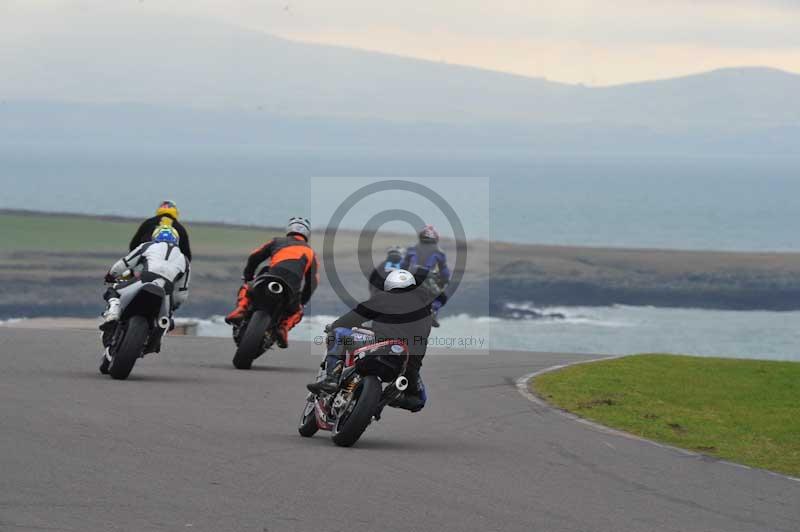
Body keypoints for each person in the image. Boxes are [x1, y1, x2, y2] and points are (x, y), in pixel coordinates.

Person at [307, 269, 432, 412]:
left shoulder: (385, 297)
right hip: (407, 362)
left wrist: (335, 325)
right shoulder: (427, 312)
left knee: (338, 334)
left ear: (390, 285)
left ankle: (332, 379)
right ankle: (386, 400)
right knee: (419, 400)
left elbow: (354, 317)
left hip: (381, 346)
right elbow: (421, 343)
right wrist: (412, 370)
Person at [224, 217, 318, 349]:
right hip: (290, 290)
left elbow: (255, 256)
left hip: (270, 278)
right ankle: (283, 328)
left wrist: (248, 276)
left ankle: (241, 309)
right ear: (307, 233)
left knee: (247, 287)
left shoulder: (277, 241)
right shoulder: (311, 253)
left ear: (289, 229)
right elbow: (313, 282)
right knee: (298, 311)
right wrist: (302, 302)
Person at [100, 225, 191, 359]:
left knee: (114, 289)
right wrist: (174, 305)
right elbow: (181, 292)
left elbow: (124, 263)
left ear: (155, 237)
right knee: (166, 320)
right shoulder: (185, 261)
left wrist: (111, 275)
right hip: (166, 290)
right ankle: (157, 338)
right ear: (176, 240)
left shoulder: (147, 246)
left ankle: (113, 314)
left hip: (145, 279)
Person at [402, 224, 450, 327]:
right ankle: (433, 311)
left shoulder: (411, 249)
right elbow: (444, 271)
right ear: (436, 238)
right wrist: (445, 280)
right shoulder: (439, 252)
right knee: (442, 297)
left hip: (411, 277)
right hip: (427, 278)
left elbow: (403, 266)